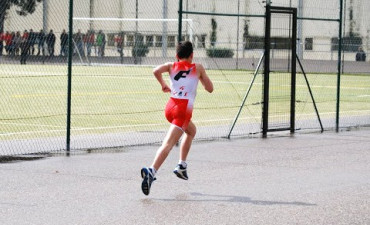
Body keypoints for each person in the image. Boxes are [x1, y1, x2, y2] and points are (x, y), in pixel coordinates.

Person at [140, 41, 214, 196]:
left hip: (170, 107)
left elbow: (155, 71)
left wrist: (163, 84)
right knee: (168, 144)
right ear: (192, 56)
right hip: (183, 110)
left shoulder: (171, 65)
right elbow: (210, 89)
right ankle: (151, 171)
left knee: (192, 131)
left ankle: (182, 165)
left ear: (177, 56)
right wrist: (202, 78)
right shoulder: (197, 68)